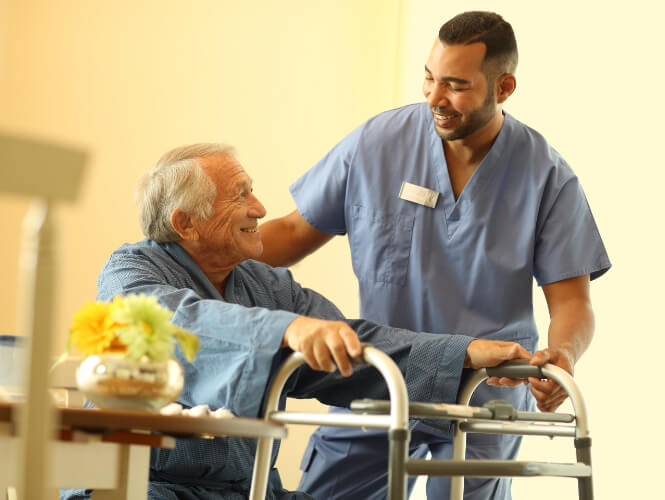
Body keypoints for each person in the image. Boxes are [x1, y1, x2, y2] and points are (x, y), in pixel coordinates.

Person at [258, 10, 611, 500]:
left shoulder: (546, 175)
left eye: (455, 85)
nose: (434, 98)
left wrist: (564, 355)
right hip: (381, 378)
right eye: (428, 78)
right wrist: (195, 257)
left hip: (484, 393)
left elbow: (573, 301)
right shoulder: (377, 144)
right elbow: (295, 230)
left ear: (503, 87)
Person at [61, 143, 536, 500]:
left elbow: (355, 343)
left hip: (243, 490)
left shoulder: (267, 285)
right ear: (186, 224)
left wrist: (463, 353)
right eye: (240, 195)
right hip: (142, 485)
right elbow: (169, 322)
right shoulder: (130, 270)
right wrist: (286, 331)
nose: (260, 209)